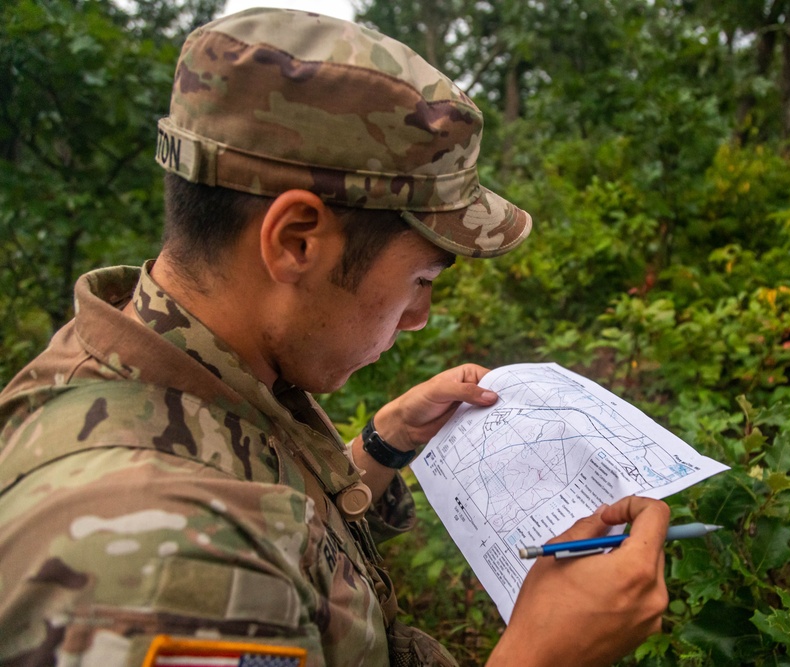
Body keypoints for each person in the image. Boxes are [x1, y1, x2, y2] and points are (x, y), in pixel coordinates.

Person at [0, 8, 671, 667]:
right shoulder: (162, 568)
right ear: (297, 241)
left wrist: (380, 447)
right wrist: (544, 654)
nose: (420, 316)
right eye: (420, 279)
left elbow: (264, 507)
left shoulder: (182, 367)